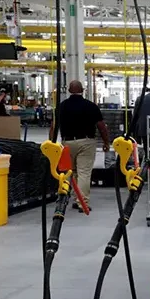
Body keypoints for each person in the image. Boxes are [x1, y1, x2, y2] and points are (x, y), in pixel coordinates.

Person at [51, 80, 110, 211]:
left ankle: (76, 198)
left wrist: (52, 144)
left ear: (69, 91)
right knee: (84, 172)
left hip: (67, 143)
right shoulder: (91, 106)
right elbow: (101, 126)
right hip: (86, 142)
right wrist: (106, 142)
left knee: (72, 172)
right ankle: (82, 202)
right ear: (83, 90)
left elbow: (53, 126)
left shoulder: (61, 106)